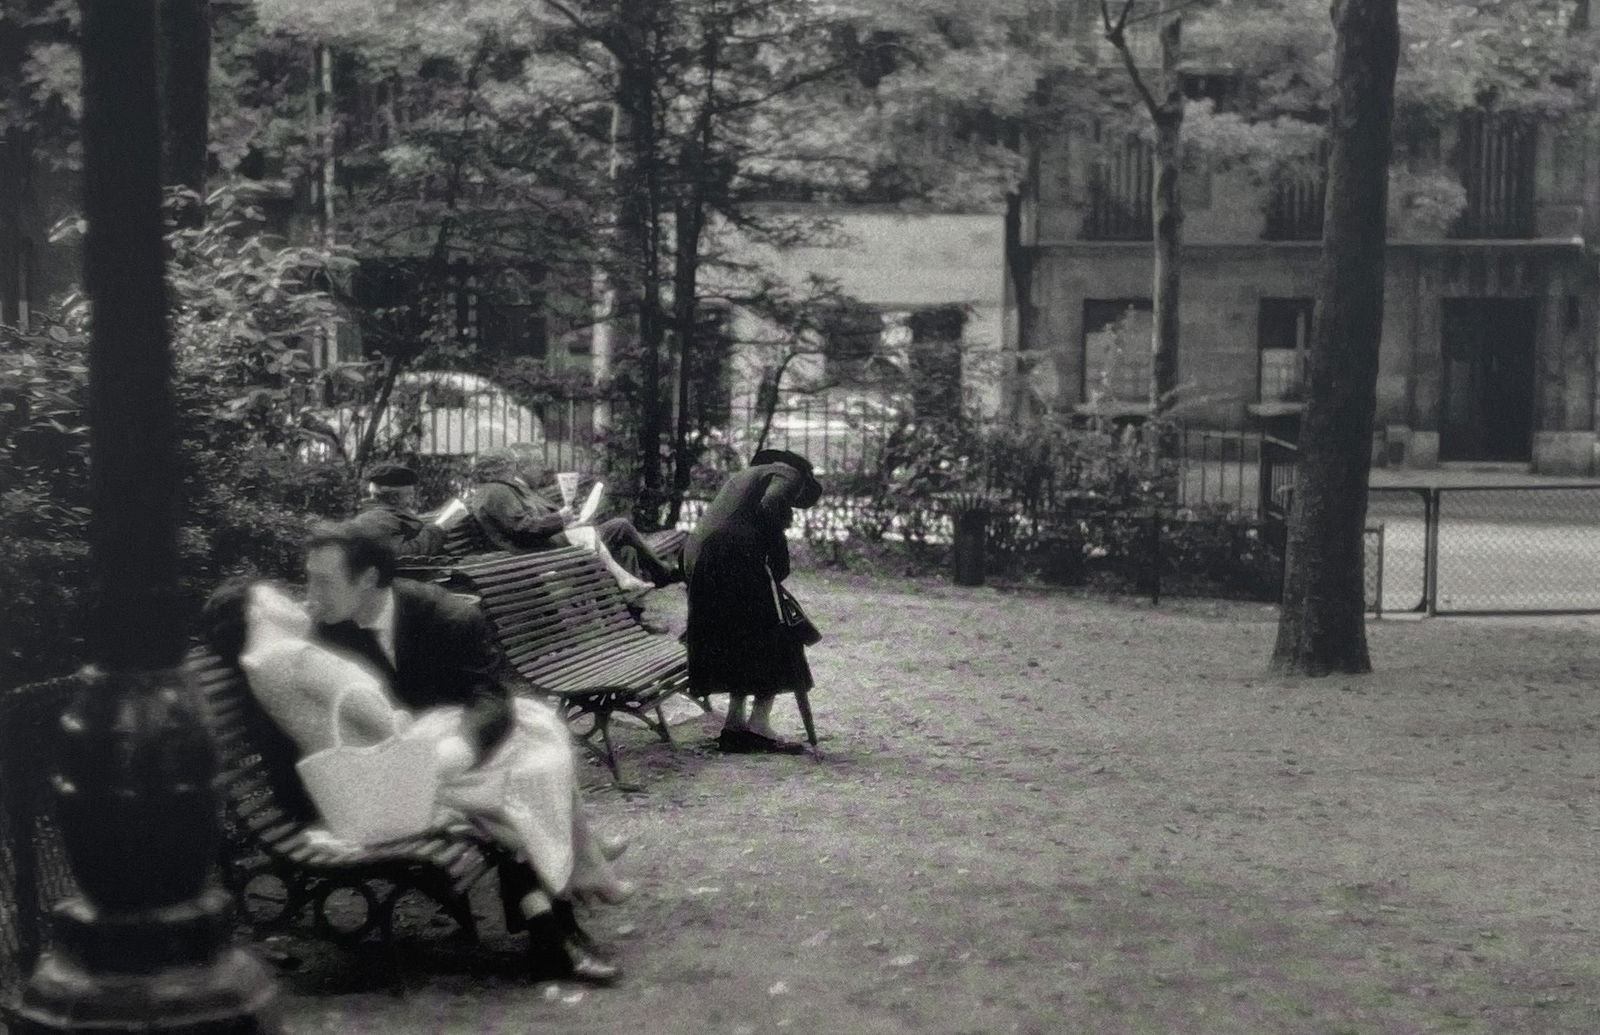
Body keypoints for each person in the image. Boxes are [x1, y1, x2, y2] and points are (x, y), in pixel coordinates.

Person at [201, 523, 632, 985]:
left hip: (393, 761)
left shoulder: (445, 616)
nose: (308, 595)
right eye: (305, 581)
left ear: (367, 580)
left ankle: (561, 918)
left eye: (322, 581)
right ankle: (567, 905)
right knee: (518, 774)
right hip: (355, 786)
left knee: (524, 735)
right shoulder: (314, 638)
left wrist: (456, 748)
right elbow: (337, 715)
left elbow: (488, 697)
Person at [684, 449, 823, 755]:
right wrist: (778, 556)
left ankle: (735, 726)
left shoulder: (745, 477)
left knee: (741, 637)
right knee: (775, 634)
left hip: (701, 556)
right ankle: (759, 724)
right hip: (732, 556)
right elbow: (772, 504)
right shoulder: (788, 473)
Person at [468, 448, 681, 591]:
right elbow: (523, 527)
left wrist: (565, 521)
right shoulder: (495, 491)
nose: (513, 469)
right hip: (535, 550)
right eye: (511, 464)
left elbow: (524, 523)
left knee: (626, 549)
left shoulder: (495, 490)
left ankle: (632, 609)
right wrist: (560, 519)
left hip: (542, 543)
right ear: (501, 467)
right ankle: (661, 574)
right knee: (620, 527)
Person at [347, 462, 448, 558]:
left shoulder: (385, 512)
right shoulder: (378, 518)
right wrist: (437, 529)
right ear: (394, 498)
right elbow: (402, 554)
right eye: (410, 494)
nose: (412, 499)